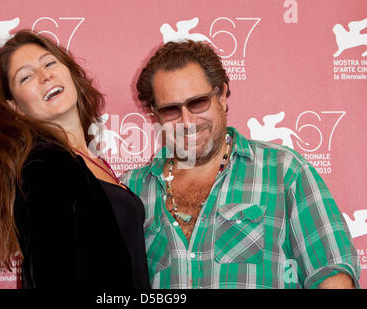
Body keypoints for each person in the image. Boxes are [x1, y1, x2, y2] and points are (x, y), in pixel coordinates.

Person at [121, 40, 360, 289]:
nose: (187, 120)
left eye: (198, 102)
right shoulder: (133, 189)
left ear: (221, 95)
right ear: (155, 113)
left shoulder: (284, 170)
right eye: (171, 109)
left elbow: (332, 274)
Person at [0, 30, 150, 288]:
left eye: (49, 63)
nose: (45, 75)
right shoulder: (44, 167)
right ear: (14, 106)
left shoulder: (84, 160)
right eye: (26, 77)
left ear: (69, 73)